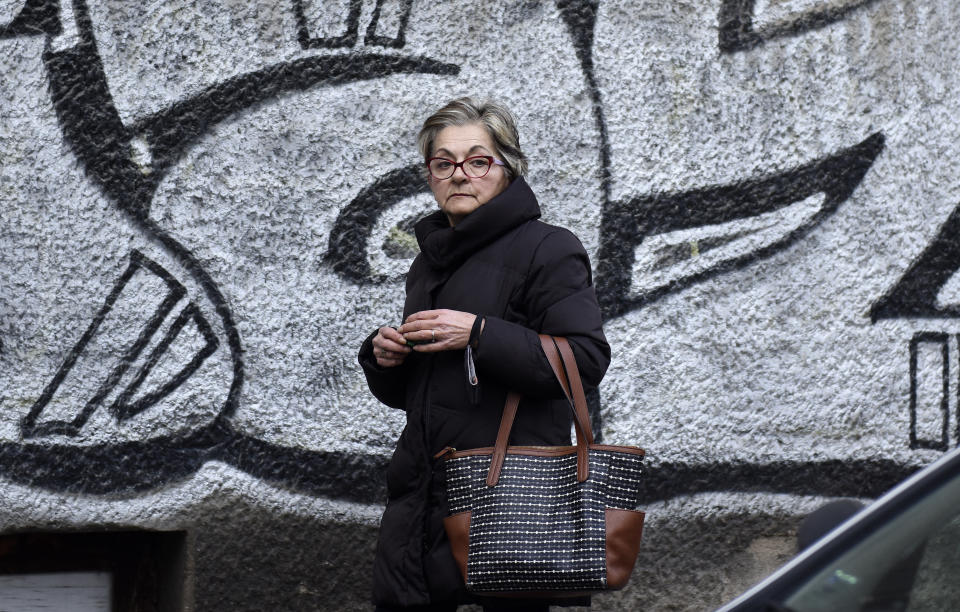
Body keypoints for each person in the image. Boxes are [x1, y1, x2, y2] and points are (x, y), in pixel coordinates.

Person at [358, 97, 610, 611]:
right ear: (429, 174)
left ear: (507, 169)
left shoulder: (549, 248)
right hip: (422, 498)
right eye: (443, 163)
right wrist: (385, 358)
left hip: (508, 501)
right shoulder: (430, 261)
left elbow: (584, 360)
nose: (459, 175)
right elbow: (424, 394)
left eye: (477, 161)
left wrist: (478, 333)